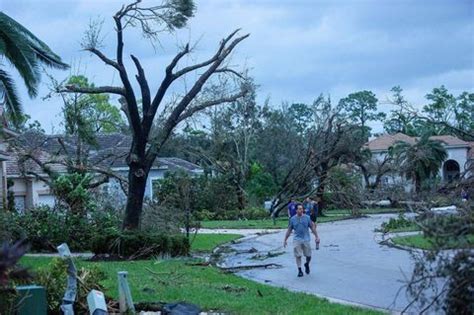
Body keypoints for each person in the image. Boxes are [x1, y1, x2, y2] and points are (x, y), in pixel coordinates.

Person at [283, 204, 320, 277]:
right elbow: (289, 230)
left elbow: (312, 228)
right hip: (297, 239)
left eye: (302, 209)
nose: (301, 210)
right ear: (296, 210)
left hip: (306, 239)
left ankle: (307, 264)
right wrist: (285, 240)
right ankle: (299, 270)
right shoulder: (292, 219)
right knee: (298, 255)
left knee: (308, 255)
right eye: (299, 209)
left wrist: (317, 236)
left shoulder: (307, 218)